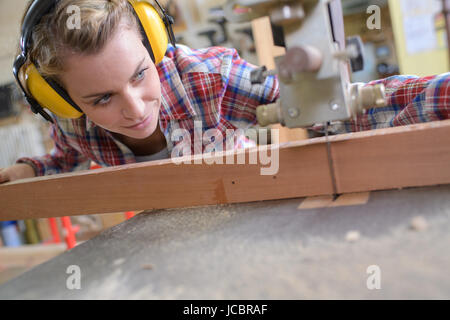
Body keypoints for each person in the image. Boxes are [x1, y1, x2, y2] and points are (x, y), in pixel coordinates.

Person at [0, 0, 448, 185]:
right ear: (61, 100)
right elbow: (63, 160)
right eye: (101, 99)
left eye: (140, 74)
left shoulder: (207, 79)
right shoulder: (72, 123)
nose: (135, 109)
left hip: (241, 208)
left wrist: (440, 95)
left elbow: (337, 108)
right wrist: (24, 171)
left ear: (155, 46)